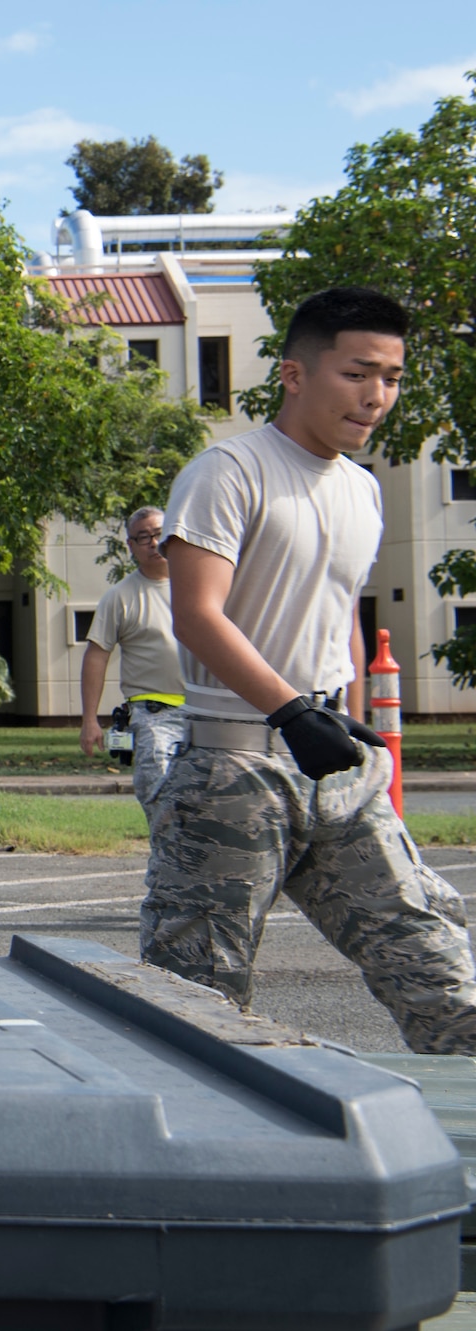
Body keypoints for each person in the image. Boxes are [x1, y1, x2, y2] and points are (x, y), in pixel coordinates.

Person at [148, 286, 476, 1054]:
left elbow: (343, 621)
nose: (378, 396)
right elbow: (197, 612)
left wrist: (350, 721)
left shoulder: (362, 489)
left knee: (441, 974)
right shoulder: (229, 470)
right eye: (358, 373)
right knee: (195, 1006)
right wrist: (292, 711)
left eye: (392, 377)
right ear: (295, 374)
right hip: (234, 769)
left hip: (337, 768)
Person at [79, 506, 184, 811]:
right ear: (131, 546)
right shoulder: (120, 597)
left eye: (160, 534)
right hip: (153, 714)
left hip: (205, 711)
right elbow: (96, 657)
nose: (154, 542)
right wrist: (89, 720)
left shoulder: (200, 585)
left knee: (207, 805)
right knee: (162, 801)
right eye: (144, 537)